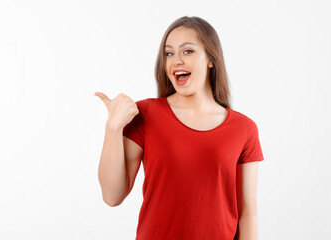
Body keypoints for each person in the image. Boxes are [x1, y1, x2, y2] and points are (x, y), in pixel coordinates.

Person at [95, 16, 264, 240]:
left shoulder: (244, 128)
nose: (176, 61)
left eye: (187, 51)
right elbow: (112, 196)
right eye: (169, 53)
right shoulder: (145, 115)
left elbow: (248, 213)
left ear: (210, 59)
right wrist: (113, 128)